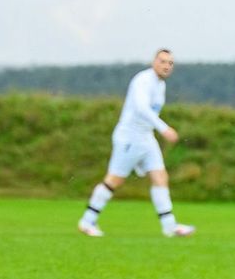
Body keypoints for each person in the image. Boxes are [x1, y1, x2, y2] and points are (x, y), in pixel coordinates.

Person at [77, 49, 195, 238]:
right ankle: (87, 221)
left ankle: (169, 226)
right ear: (154, 62)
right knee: (114, 180)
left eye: (170, 63)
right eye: (163, 61)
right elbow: (141, 108)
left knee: (160, 177)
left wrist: (156, 128)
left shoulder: (160, 85)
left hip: (146, 137)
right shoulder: (143, 80)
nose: (166, 66)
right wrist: (163, 128)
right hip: (129, 137)